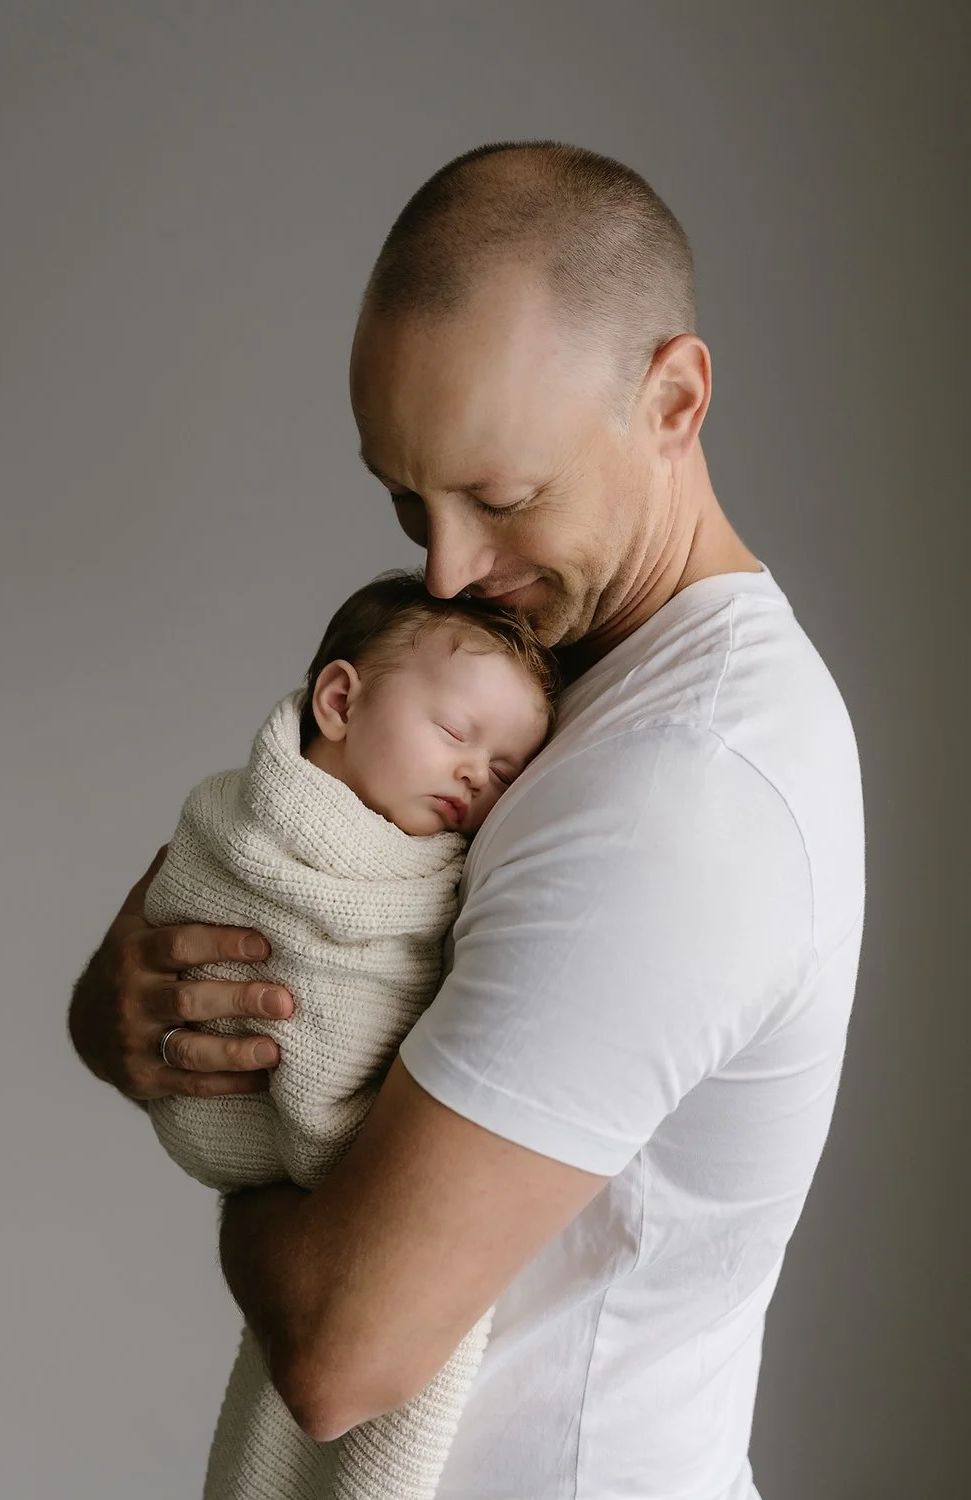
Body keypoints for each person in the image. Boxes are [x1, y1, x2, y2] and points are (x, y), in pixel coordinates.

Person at [69, 141, 865, 1500]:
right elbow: (255, 909)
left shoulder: (685, 784)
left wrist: (251, 1188)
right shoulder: (549, 695)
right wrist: (121, 1007)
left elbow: (338, 1340)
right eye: (404, 497)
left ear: (672, 400)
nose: (444, 568)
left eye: (501, 500)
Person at [144, 571, 557, 1500]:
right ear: (338, 700)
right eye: (456, 734)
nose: (473, 775)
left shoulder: (438, 880)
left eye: (501, 773)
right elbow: (183, 920)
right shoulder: (239, 824)